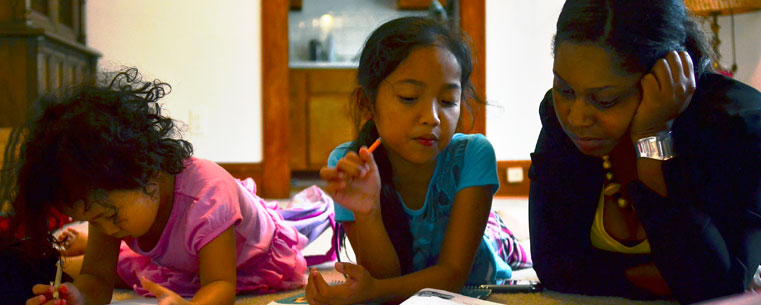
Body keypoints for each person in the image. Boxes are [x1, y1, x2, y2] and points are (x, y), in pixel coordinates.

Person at [528, 0, 761, 303]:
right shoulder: (559, 121)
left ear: (664, 76)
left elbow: (718, 289)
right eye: (565, 89)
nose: (577, 118)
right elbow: (553, 267)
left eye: (606, 100)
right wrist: (665, 276)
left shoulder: (737, 126)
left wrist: (652, 139)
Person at [15, 69, 309, 305]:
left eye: (110, 216)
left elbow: (221, 286)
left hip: (247, 262)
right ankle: (78, 245)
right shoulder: (111, 204)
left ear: (146, 172)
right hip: (182, 258)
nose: (104, 228)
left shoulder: (208, 199)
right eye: (92, 221)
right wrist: (79, 296)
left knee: (135, 269)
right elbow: (96, 278)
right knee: (119, 268)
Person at [305, 16, 530, 305]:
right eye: (410, 97)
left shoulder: (473, 153)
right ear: (367, 104)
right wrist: (368, 213)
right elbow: (383, 278)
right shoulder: (352, 165)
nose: (433, 117)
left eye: (448, 101)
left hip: (486, 256)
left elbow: (452, 275)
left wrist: (371, 293)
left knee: (504, 240)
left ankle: (501, 224)